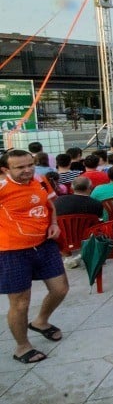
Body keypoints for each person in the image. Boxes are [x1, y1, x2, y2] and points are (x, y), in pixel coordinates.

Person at [0, 150, 67, 364]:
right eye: (20, 167)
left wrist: (54, 223)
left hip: (44, 244)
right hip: (12, 251)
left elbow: (50, 206)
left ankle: (41, 322)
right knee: (20, 303)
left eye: (30, 165)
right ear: (5, 170)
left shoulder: (39, 179)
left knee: (60, 289)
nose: (27, 170)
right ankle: (22, 347)